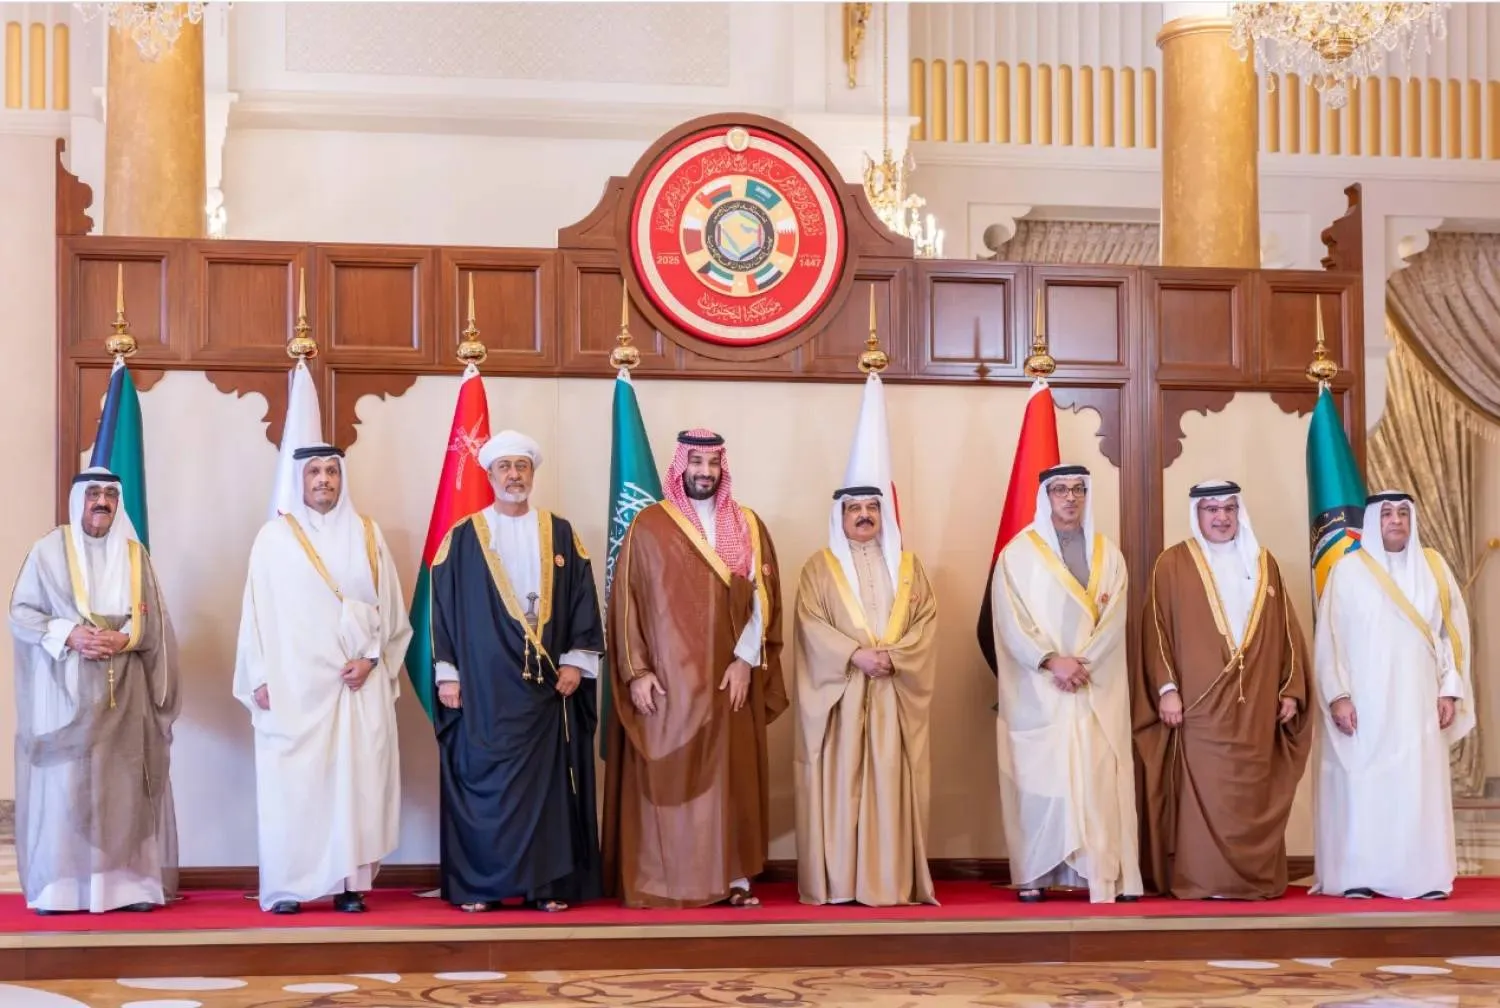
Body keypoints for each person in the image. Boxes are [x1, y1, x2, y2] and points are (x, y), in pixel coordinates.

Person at [602, 429, 787, 908]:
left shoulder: (747, 524)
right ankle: (666, 880)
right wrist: (635, 671)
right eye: (696, 462)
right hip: (667, 684)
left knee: (729, 779)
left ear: (723, 469)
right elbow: (626, 601)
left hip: (729, 680)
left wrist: (747, 661)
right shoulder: (649, 524)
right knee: (670, 779)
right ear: (680, 465)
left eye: (712, 464)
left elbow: (764, 601)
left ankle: (733, 879)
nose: (704, 472)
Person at [430, 430, 604, 913]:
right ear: (488, 475)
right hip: (483, 689)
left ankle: (545, 886)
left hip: (547, 690)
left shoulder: (562, 533)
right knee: (484, 779)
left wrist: (575, 662)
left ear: (533, 474)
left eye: (522, 467)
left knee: (546, 789)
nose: (513, 476)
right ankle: (482, 887)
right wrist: (448, 673)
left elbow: (583, 604)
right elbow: (440, 611)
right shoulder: (463, 537)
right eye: (504, 467)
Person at [234, 445, 411, 914]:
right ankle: (289, 886)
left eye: (332, 471)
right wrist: (258, 676)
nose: (324, 480)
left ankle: (349, 885)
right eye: (314, 472)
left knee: (355, 783)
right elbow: (254, 614)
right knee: (295, 787)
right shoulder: (273, 539)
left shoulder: (367, 534)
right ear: (300, 479)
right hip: (293, 689)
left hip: (355, 686)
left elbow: (390, 612)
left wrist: (372, 661)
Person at [8, 468, 179, 915]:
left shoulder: (134, 554)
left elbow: (155, 621)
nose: (101, 501)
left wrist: (125, 637)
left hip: (126, 692)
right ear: (78, 499)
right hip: (67, 692)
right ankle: (61, 891)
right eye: (93, 494)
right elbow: (20, 613)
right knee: (68, 786)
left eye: (109, 494)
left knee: (124, 787)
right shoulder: (47, 552)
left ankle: (129, 888)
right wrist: (70, 634)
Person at [1135, 480, 1311, 900]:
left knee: (1253, 791)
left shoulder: (1264, 563)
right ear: (1197, 514)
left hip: (1256, 708)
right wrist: (1166, 689)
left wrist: (1290, 689)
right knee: (1205, 796)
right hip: (1198, 708)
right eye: (1211, 509)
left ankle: (1254, 880)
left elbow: (1287, 632)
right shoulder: (1172, 564)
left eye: (1229, 508)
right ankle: (1204, 880)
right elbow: (1154, 631)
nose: (1221, 517)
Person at [991, 463, 1141, 904]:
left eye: (1078, 489)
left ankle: (1103, 874)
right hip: (1041, 691)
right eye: (1060, 490)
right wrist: (1052, 660)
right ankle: (1037, 874)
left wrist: (1083, 662)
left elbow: (1115, 619)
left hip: (1093, 686)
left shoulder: (1107, 553)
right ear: (1046, 497)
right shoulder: (1016, 556)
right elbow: (1010, 620)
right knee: (1044, 784)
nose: (1070, 498)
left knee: (1096, 780)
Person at [1312, 491, 1473, 900]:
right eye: (1386, 514)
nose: (1396, 521)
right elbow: (1330, 640)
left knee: (1416, 786)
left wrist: (1450, 690)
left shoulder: (1433, 569)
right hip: (1364, 704)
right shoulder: (1347, 572)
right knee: (1364, 785)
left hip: (1418, 700)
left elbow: (1451, 635)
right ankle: (1360, 875)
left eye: (1403, 513)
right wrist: (1338, 696)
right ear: (1371, 521)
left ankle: (1422, 878)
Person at [792, 486, 939, 907]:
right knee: (842, 784)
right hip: (841, 696)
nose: (863, 515)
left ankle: (890, 882)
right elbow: (810, 624)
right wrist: (854, 655)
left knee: (890, 779)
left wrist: (895, 658)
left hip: (894, 691)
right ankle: (840, 883)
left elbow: (925, 622)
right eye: (853, 508)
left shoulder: (909, 566)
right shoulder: (818, 568)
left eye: (872, 507)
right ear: (839, 518)